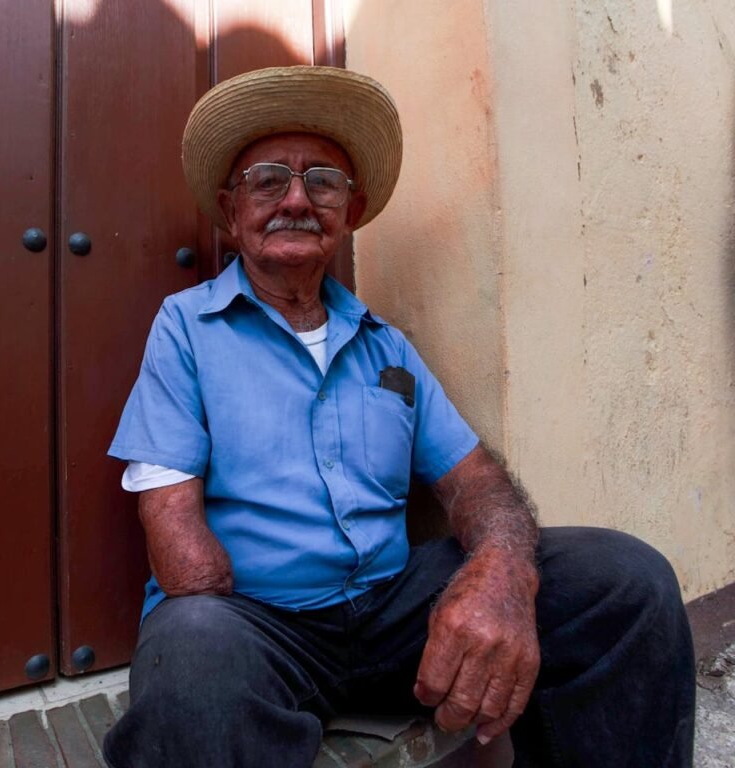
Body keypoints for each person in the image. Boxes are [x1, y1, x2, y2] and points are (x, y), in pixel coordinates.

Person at [102, 66, 695, 768]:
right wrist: (243, 640)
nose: (297, 198)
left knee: (628, 581)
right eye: (269, 181)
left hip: (394, 612)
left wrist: (501, 573)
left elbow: (477, 484)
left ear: (349, 214)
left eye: (323, 182)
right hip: (256, 624)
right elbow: (182, 556)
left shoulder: (387, 346)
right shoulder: (186, 328)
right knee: (190, 661)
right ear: (231, 214)